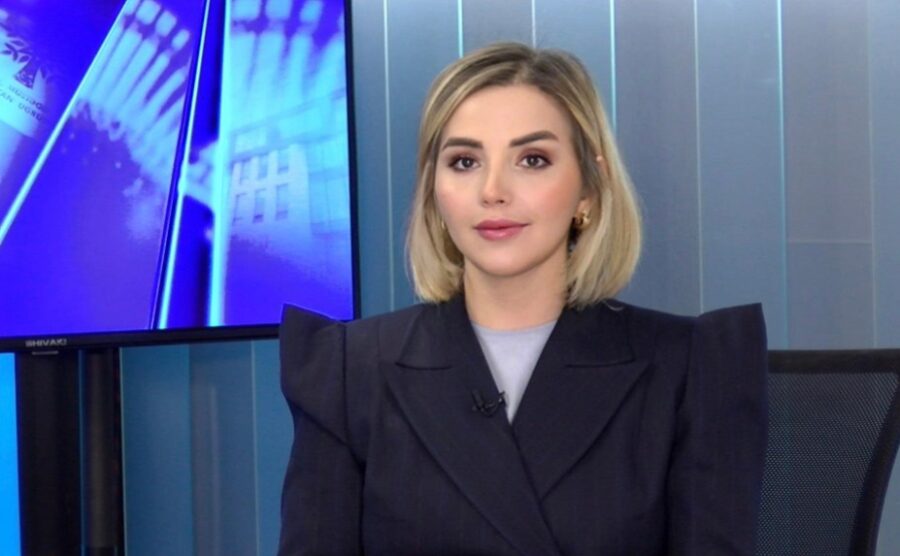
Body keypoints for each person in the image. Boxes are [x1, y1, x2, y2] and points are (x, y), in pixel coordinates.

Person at [278, 42, 767, 555]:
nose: (492, 190)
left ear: (589, 187)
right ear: (433, 190)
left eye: (532, 160)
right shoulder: (347, 370)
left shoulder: (689, 366)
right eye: (464, 161)